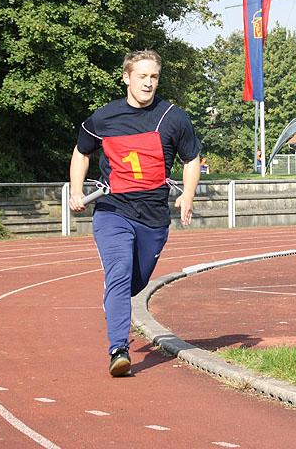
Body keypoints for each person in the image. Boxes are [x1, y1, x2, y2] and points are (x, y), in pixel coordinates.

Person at [69, 50, 201, 377]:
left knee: (135, 281)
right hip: (113, 210)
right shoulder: (104, 117)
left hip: (154, 216)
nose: (148, 83)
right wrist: (76, 190)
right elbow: (81, 151)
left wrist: (188, 194)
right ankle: (119, 349)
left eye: (153, 77)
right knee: (119, 272)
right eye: (142, 76)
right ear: (127, 77)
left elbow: (191, 159)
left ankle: (115, 301)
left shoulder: (174, 117)